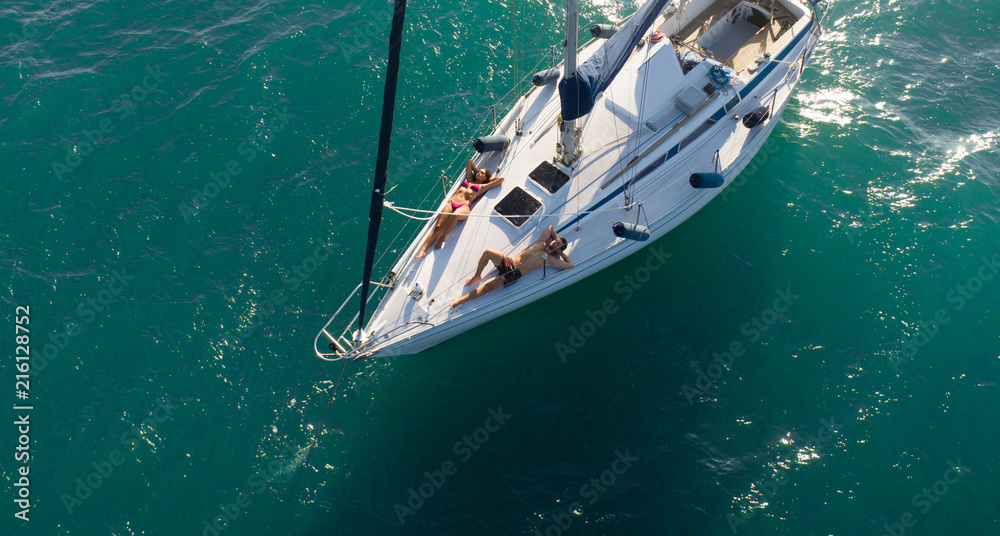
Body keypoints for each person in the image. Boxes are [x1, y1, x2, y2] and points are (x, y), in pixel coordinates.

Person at [451, 225, 573, 308]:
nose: (555, 243)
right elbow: (551, 227)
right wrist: (557, 239)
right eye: (556, 241)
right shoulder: (542, 242)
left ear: (558, 251)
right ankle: (477, 275)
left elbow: (570, 265)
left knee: (487, 288)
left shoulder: (550, 260)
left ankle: (460, 300)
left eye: (558, 245)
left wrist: (561, 252)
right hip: (508, 261)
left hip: (514, 274)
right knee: (488, 252)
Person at [416, 159, 504, 258]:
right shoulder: (469, 179)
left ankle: (442, 237)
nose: (479, 173)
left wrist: (488, 180)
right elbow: (469, 162)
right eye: (478, 171)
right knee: (438, 226)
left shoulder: (482, 187)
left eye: (482, 173)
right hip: (452, 203)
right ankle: (423, 250)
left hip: (464, 206)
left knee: (455, 215)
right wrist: (477, 172)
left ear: (486, 177)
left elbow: (501, 179)